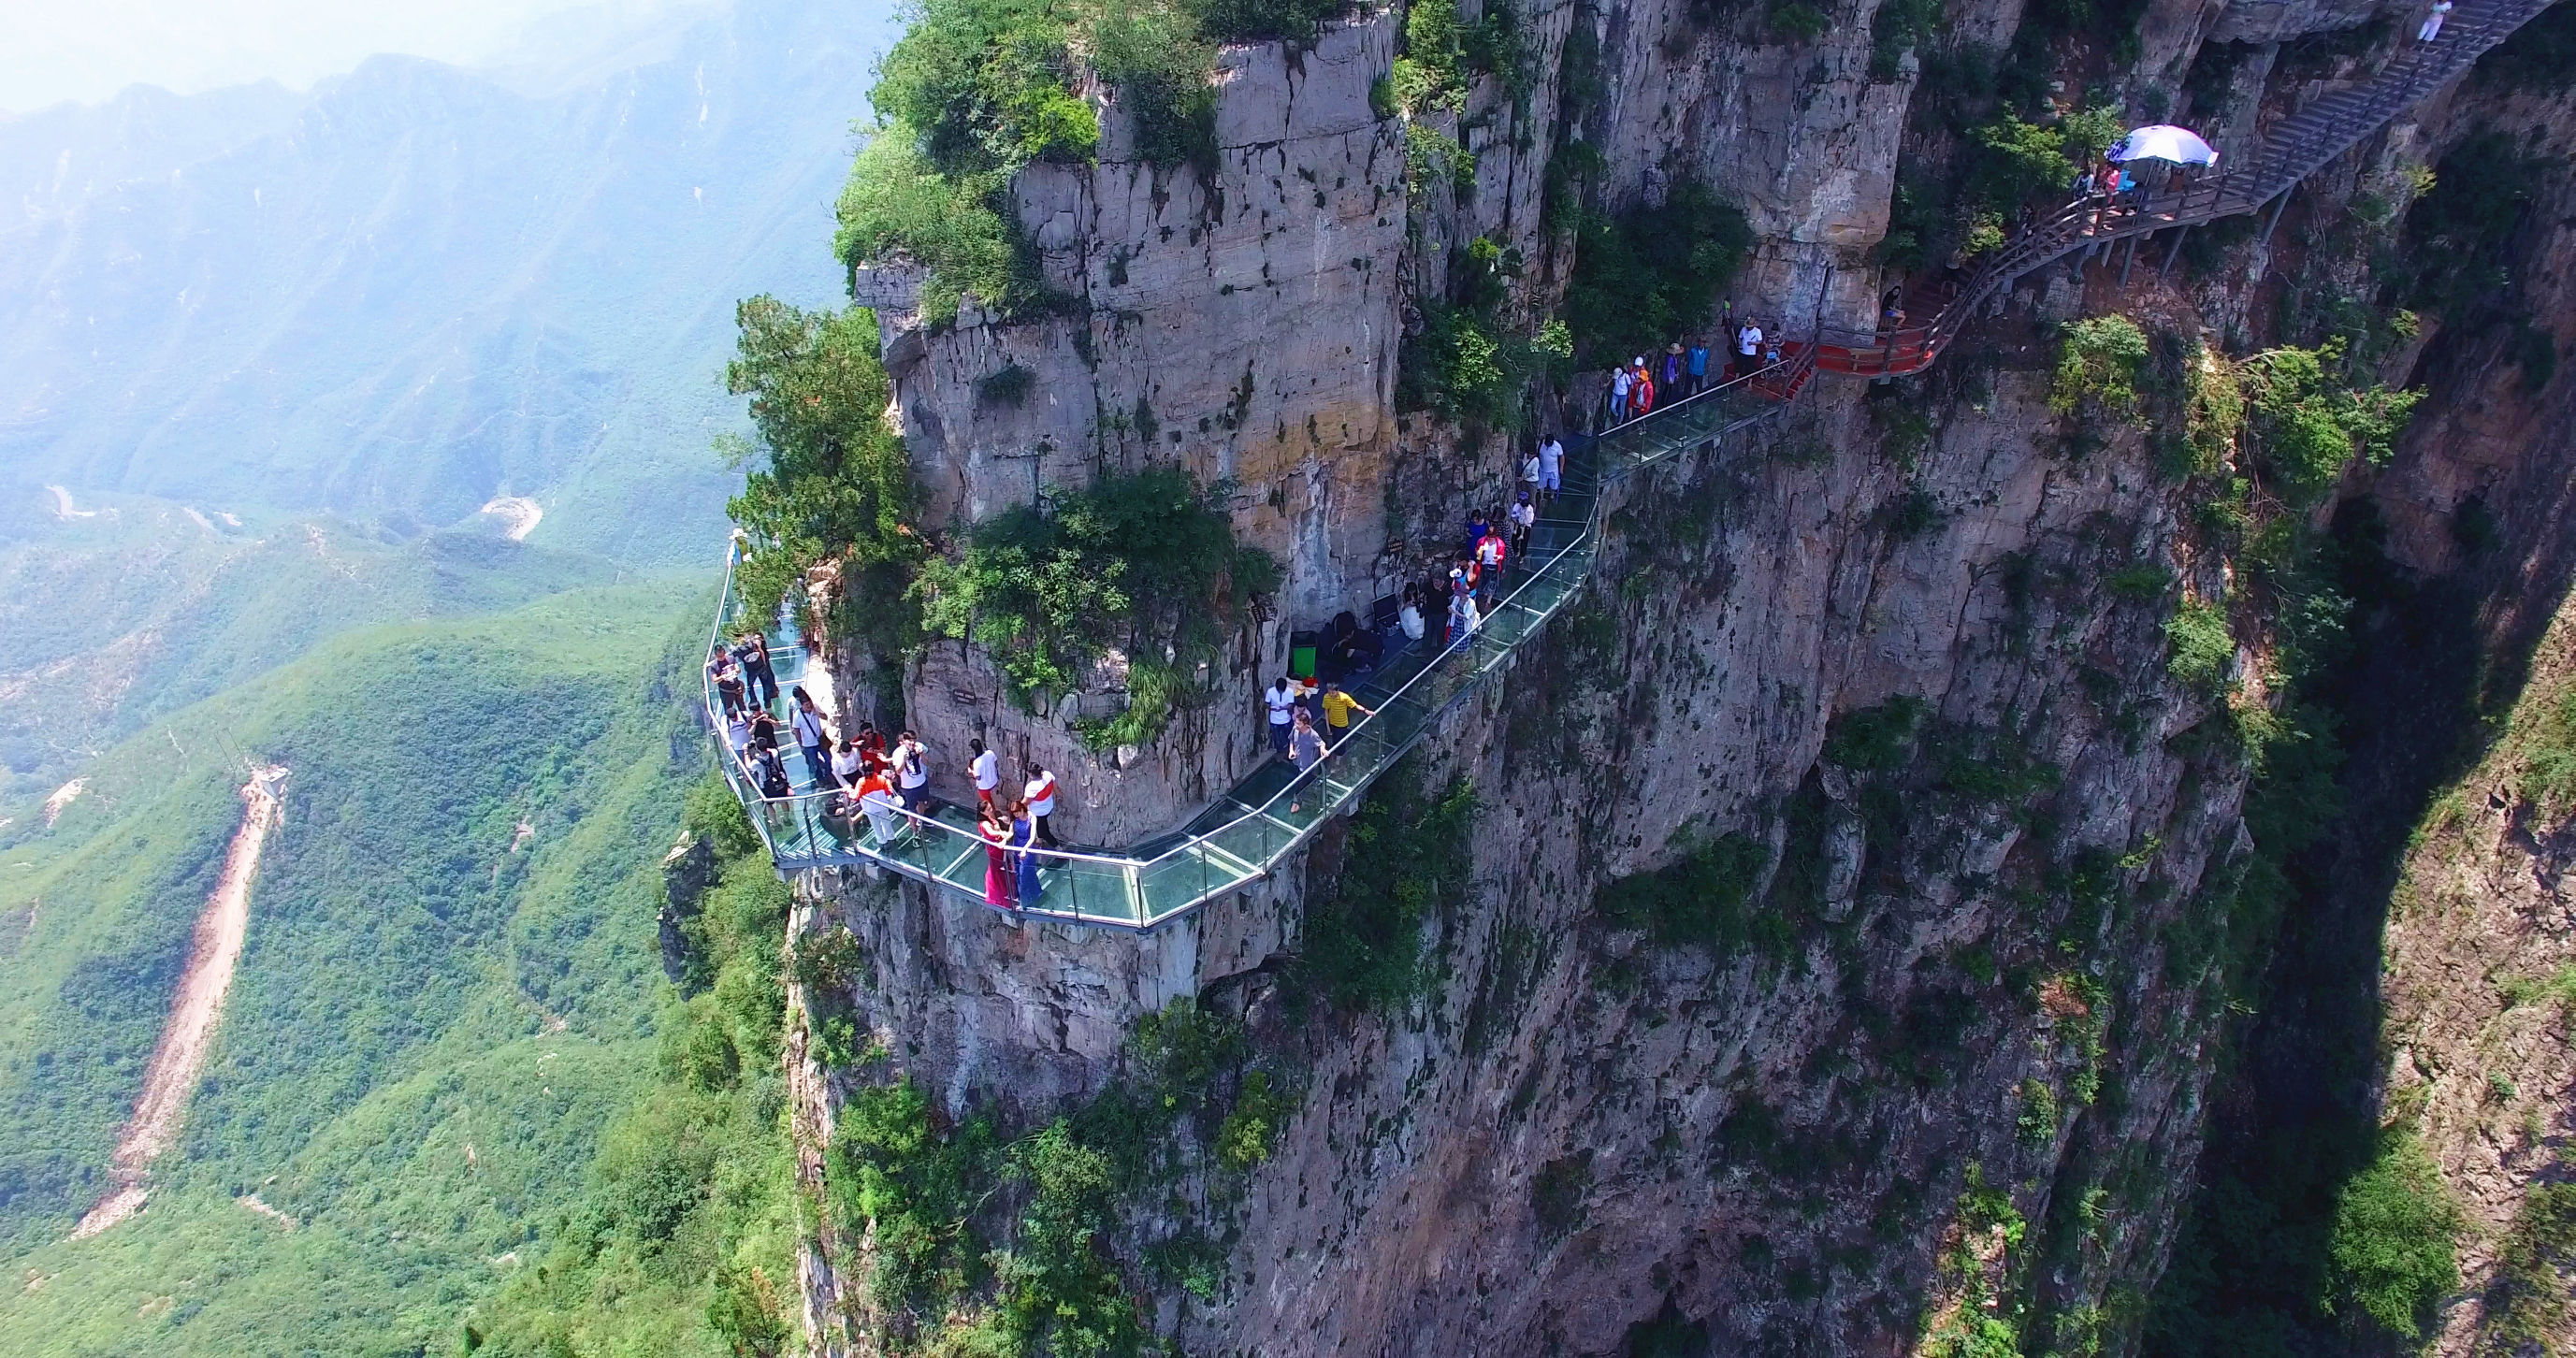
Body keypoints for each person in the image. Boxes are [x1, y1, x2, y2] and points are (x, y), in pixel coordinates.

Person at [790, 687, 834, 789]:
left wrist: (818, 713)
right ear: (802, 705)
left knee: (828, 757)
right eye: (806, 705)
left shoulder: (815, 708)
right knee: (814, 764)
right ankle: (820, 779)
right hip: (808, 744)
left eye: (809, 703)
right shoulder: (797, 715)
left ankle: (829, 774)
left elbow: (826, 717)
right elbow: (796, 730)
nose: (809, 706)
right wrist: (800, 744)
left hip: (820, 740)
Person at [979, 804, 1017, 907]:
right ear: (982, 812)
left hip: (999, 845)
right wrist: (1002, 833)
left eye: (991, 808)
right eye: (989, 809)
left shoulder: (990, 819)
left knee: (1004, 866)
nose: (992, 810)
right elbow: (991, 832)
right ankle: (1002, 892)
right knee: (998, 869)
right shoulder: (985, 823)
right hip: (994, 848)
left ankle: (1009, 888)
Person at [1010, 800, 1044, 905]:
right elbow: (1010, 833)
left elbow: (1032, 837)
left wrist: (1024, 849)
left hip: (1027, 848)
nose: (1016, 815)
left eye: (1017, 813)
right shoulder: (1014, 820)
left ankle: (1024, 902)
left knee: (1024, 875)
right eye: (1014, 814)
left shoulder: (1031, 818)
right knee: (1019, 873)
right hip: (1017, 847)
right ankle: (1036, 894)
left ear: (1022, 809)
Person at [1320, 682, 1375, 746]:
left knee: (1341, 742)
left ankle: (1340, 754)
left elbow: (1355, 705)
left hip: (1342, 724)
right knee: (1334, 740)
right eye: (1329, 693)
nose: (1331, 695)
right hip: (1332, 722)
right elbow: (1326, 711)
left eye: (1333, 693)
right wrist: (1328, 727)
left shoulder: (1344, 697)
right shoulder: (1326, 697)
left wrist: (1365, 710)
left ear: (1337, 691)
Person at [859, 769, 902, 845]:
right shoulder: (881, 779)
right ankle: (891, 838)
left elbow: (855, 796)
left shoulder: (861, 782)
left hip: (870, 809)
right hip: (882, 805)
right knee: (886, 822)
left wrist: (848, 790)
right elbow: (888, 792)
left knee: (876, 826)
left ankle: (882, 842)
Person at [738, 633, 779, 711]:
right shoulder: (754, 641)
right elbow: (761, 652)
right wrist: (764, 664)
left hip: (751, 670)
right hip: (760, 667)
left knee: (750, 686)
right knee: (765, 685)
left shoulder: (742, 646)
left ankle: (753, 701)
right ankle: (767, 702)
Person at [1023, 762, 1061, 846]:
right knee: (1041, 825)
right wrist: (1059, 796)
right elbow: (1056, 787)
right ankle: (1039, 840)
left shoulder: (1031, 787)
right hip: (1049, 807)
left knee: (1043, 831)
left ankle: (1058, 847)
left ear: (1030, 774)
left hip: (1038, 813)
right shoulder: (1048, 775)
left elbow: (1026, 802)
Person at [893, 730, 930, 811]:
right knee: (911, 809)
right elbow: (898, 772)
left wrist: (922, 754)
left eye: (914, 739)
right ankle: (913, 823)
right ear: (904, 741)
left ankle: (920, 821)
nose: (912, 742)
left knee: (922, 803)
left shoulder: (919, 746)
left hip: (921, 782)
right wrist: (904, 760)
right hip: (909, 786)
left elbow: (927, 763)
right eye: (910, 740)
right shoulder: (898, 752)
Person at [1264, 675, 1297, 757]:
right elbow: (1266, 703)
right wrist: (1272, 709)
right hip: (1274, 719)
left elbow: (1291, 704)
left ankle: (1291, 750)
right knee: (1277, 737)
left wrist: (1282, 708)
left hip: (1286, 718)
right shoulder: (1270, 692)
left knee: (1289, 736)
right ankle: (1280, 751)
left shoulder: (1290, 691)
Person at [968, 737, 1000, 811]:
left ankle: (992, 816)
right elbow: (996, 763)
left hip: (984, 787)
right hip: (994, 780)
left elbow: (978, 777)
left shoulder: (976, 762)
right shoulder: (990, 753)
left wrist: (971, 772)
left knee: (987, 804)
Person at [712, 654, 747, 719]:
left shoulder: (731, 659)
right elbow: (714, 680)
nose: (721, 658)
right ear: (716, 656)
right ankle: (731, 726)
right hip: (726, 692)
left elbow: (738, 670)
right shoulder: (714, 665)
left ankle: (746, 722)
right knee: (729, 710)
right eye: (719, 657)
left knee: (742, 707)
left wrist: (734, 672)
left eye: (722, 656)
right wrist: (722, 677)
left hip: (737, 688)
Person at [1510, 491, 1536, 559]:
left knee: (1524, 543)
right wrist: (1519, 523)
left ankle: (1522, 557)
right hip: (1518, 525)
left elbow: (1531, 520)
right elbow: (1513, 517)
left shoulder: (1530, 508)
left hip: (1526, 527)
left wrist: (1525, 523)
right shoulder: (1517, 506)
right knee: (1514, 541)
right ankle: (1516, 551)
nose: (1521, 501)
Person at [1537, 435, 1563, 500]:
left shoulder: (1557, 446)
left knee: (1553, 485)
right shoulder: (1540, 444)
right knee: (1541, 484)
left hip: (1553, 470)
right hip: (1542, 469)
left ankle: (1552, 495)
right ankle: (1541, 497)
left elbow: (1562, 456)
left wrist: (1561, 468)